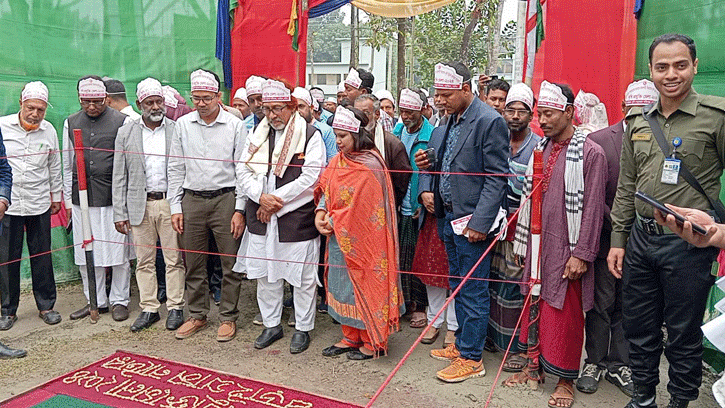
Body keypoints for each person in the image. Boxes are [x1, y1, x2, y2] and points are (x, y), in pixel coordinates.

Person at [608, 34, 725, 408]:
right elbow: (627, 185)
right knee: (639, 328)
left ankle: (680, 400)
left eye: (679, 65)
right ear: (651, 70)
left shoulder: (716, 117)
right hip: (642, 241)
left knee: (682, 333)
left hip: (689, 245)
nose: (670, 74)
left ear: (693, 65)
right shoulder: (637, 120)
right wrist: (618, 239)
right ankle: (642, 398)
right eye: (662, 67)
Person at [504, 81, 607, 408]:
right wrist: (524, 246)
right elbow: (528, 200)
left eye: (549, 114)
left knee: (565, 315)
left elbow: (592, 209)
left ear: (569, 112)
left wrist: (582, 255)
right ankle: (533, 368)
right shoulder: (541, 149)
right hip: (537, 246)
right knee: (534, 306)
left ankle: (565, 381)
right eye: (540, 115)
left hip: (568, 249)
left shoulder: (591, 152)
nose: (542, 121)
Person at [415, 62, 509, 383]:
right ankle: (462, 345)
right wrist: (427, 162)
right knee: (458, 282)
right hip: (449, 217)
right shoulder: (449, 121)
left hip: (472, 223)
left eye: (445, 95)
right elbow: (447, 163)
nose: (439, 100)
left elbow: (497, 178)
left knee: (473, 289)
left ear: (466, 90)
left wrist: (480, 222)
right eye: (437, 94)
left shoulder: (489, 121)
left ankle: (471, 357)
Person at [576, 79, 658, 397]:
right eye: (635, 112)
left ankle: (619, 364)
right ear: (623, 108)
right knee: (601, 303)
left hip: (645, 243)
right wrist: (619, 229)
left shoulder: (663, 143)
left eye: (648, 113)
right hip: (606, 240)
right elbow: (592, 197)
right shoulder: (597, 141)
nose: (641, 119)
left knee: (631, 304)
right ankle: (594, 361)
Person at [239, 79, 325, 354]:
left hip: (295, 219)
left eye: (278, 108)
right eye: (267, 109)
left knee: (302, 278)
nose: (273, 115)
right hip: (262, 216)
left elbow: (311, 177)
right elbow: (242, 171)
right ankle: (272, 324)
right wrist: (260, 198)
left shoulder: (311, 135)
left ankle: (302, 327)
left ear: (291, 107)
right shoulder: (257, 134)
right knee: (267, 276)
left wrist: (276, 203)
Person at [316, 106, 404, 360]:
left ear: (356, 134)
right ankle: (350, 337)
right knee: (342, 286)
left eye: (343, 136)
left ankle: (371, 340)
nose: (338, 141)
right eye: (336, 135)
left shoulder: (371, 166)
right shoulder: (337, 161)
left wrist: (333, 218)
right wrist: (320, 213)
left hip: (367, 241)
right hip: (337, 239)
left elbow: (366, 209)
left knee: (365, 286)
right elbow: (326, 190)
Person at [167, 69, 247, 341]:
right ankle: (197, 314)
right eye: (196, 98)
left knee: (230, 262)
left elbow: (242, 170)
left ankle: (228, 316)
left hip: (225, 198)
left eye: (206, 99)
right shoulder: (183, 125)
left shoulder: (235, 125)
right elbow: (175, 166)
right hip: (192, 199)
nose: (201, 104)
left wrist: (240, 209)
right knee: (193, 262)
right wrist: (175, 206)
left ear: (218, 97)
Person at [112, 77, 185, 333]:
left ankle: (176, 306)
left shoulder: (177, 129)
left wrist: (178, 205)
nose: (155, 107)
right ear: (138, 103)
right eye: (149, 102)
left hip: (169, 203)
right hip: (138, 205)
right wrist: (119, 212)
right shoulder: (126, 131)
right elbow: (119, 175)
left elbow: (183, 169)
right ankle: (150, 308)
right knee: (144, 260)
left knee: (173, 258)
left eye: (158, 101)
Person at [64, 76, 132, 322]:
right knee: (86, 251)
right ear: (79, 99)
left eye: (96, 101)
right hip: (81, 198)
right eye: (86, 102)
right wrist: (66, 199)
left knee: (118, 251)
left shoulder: (123, 122)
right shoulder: (70, 122)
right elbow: (66, 162)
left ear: (106, 98)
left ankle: (119, 300)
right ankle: (95, 299)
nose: (91, 107)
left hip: (113, 197)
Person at [486, 83, 541, 369]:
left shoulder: (537, 146)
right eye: (511, 110)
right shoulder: (495, 139)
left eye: (522, 111)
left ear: (531, 116)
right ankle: (493, 340)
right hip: (493, 226)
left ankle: (515, 347)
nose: (515, 116)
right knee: (493, 284)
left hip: (521, 231)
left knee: (514, 287)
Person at [0, 81, 62, 330]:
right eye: (30, 108)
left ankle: (46, 306)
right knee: (7, 259)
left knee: (42, 256)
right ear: (20, 104)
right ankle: (7, 310)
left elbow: (54, 166)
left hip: (39, 203)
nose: (35, 114)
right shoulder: (2, 127)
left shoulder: (49, 131)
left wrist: (56, 196)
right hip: (9, 206)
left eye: (40, 109)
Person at [353, 94, 411, 207]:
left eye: (365, 113)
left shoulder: (392, 144)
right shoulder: (348, 141)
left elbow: (401, 183)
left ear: (377, 114)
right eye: (356, 114)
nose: (359, 119)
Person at [294, 87, 337, 162]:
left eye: (301, 106)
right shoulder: (288, 130)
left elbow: (332, 161)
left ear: (311, 108)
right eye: (294, 107)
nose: (298, 111)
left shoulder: (326, 131)